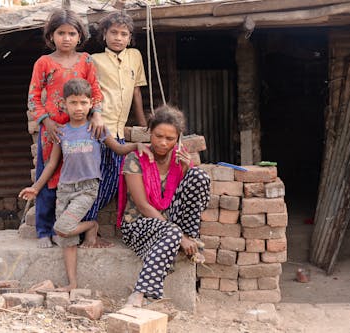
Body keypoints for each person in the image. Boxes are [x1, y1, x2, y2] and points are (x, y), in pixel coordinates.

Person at [20, 78, 153, 291]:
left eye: (83, 102)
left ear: (91, 104)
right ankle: (72, 283)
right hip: (65, 189)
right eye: (73, 103)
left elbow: (118, 150)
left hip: (87, 189)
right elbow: (52, 164)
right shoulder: (61, 132)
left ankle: (92, 225)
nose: (78, 108)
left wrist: (137, 144)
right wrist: (36, 188)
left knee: (61, 228)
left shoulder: (97, 129)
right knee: (67, 241)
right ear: (64, 104)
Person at [117, 105, 211, 307]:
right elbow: (142, 205)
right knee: (173, 234)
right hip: (139, 225)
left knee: (199, 176)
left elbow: (189, 198)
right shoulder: (135, 159)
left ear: (178, 139)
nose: (163, 142)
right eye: (158, 136)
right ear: (150, 132)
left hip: (168, 221)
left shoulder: (180, 157)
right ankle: (140, 293)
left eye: (170, 139)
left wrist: (186, 171)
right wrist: (179, 235)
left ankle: (189, 240)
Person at [28, 9, 106, 248]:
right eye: (60, 33)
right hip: (52, 133)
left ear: (79, 36)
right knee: (49, 177)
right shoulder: (43, 62)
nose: (66, 38)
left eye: (71, 33)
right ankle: (44, 230)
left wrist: (98, 115)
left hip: (80, 131)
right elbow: (33, 97)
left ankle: (70, 228)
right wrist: (46, 121)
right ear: (51, 36)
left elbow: (95, 91)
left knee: (74, 180)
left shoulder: (86, 61)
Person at [86, 11, 147, 225]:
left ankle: (84, 223)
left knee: (112, 182)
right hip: (100, 129)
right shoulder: (94, 60)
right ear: (104, 34)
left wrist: (143, 126)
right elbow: (91, 94)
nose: (118, 38)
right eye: (113, 32)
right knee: (95, 180)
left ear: (130, 38)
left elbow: (137, 92)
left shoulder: (135, 56)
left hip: (120, 131)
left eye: (124, 34)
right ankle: (85, 224)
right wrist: (95, 114)